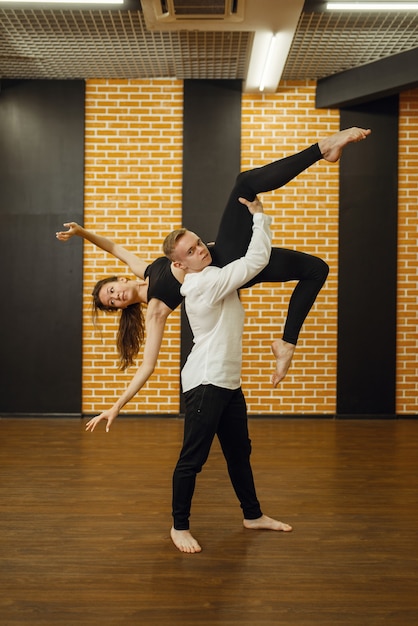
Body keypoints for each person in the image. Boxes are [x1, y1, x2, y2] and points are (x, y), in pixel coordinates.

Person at [56, 127, 371, 432]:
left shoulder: (146, 271)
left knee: (316, 270)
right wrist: (116, 406)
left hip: (232, 256)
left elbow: (112, 246)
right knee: (244, 183)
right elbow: (147, 367)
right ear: (120, 308)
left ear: (120, 280)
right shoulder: (156, 309)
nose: (116, 297)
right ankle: (323, 149)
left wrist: (82, 232)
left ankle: (286, 343)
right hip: (231, 263)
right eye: (111, 303)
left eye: (111, 290)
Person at [163, 195, 292, 553]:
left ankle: (253, 515)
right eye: (189, 252)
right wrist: (258, 216)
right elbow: (256, 260)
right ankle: (179, 526)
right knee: (193, 457)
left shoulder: (207, 275)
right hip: (206, 383)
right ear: (179, 264)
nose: (199, 251)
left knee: (239, 452)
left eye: (198, 244)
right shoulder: (205, 283)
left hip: (227, 382)